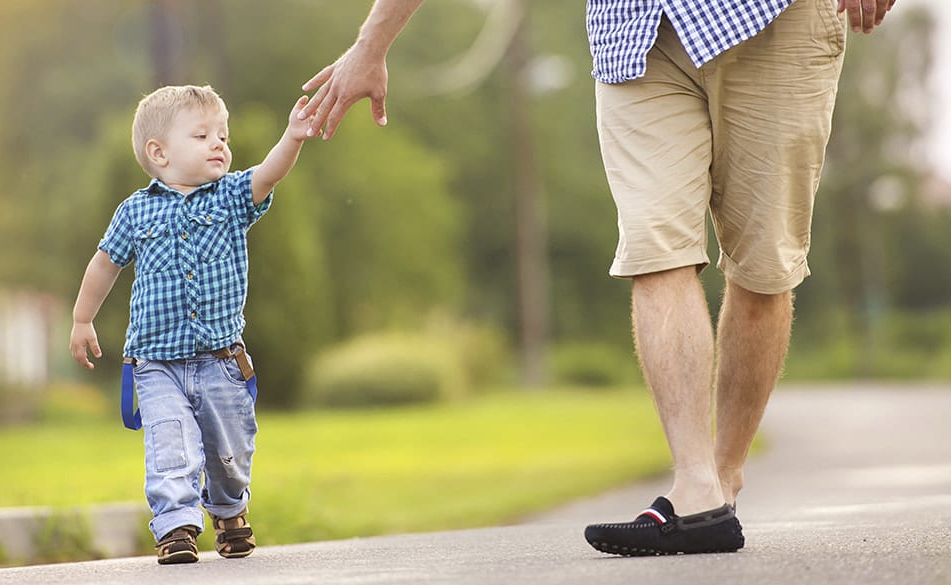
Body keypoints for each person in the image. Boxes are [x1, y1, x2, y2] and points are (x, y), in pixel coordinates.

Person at [298, 0, 897, 557]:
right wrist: (371, 44)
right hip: (634, 33)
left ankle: (723, 481)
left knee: (764, 270)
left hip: (772, 17)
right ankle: (696, 488)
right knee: (654, 249)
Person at [69, 85, 316, 564]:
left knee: (230, 451)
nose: (219, 144)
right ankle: (177, 525)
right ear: (158, 153)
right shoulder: (136, 211)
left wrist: (293, 137)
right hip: (156, 362)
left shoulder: (229, 198)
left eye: (223, 135)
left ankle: (229, 510)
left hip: (221, 360)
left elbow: (268, 174)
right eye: (202, 135)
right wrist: (83, 318)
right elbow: (104, 265)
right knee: (170, 442)